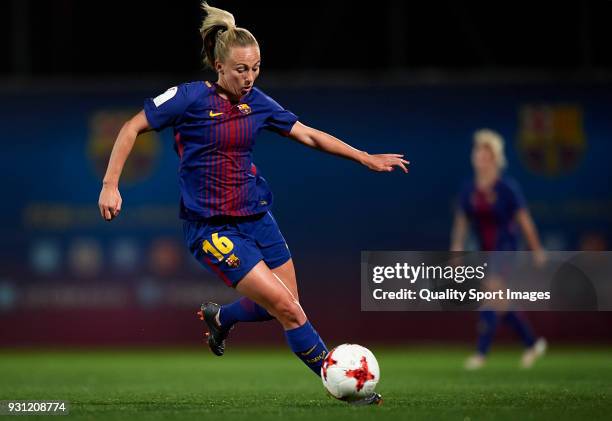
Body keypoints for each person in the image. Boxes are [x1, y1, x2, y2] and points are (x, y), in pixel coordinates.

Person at [98, 2, 408, 404]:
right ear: (218, 65)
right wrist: (111, 184)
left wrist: (363, 156)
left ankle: (221, 317)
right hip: (211, 228)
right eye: (241, 69)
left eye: (256, 68)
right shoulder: (189, 98)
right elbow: (130, 127)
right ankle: (343, 384)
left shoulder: (258, 102)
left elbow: (308, 134)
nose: (249, 77)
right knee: (290, 311)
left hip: (258, 218)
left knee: (281, 306)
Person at [450, 129, 547, 369]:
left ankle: (481, 354)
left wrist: (536, 250)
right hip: (486, 250)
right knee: (498, 301)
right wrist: (456, 249)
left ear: (495, 158)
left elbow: (525, 221)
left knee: (490, 292)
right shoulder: (469, 190)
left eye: (485, 153)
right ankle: (532, 343)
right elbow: (461, 224)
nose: (480, 157)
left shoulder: (507, 188)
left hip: (506, 248)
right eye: (477, 152)